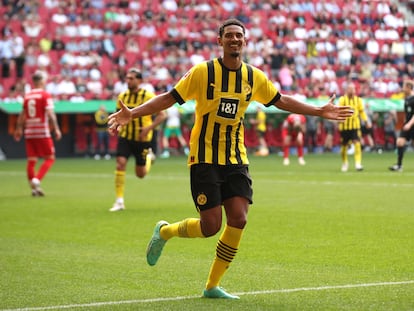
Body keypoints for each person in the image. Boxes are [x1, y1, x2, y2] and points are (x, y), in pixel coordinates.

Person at [107, 19, 353, 299]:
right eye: (230, 36)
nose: (235, 40)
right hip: (204, 157)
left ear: (245, 41)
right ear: (219, 40)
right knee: (210, 226)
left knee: (239, 219)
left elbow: (281, 100)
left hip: (236, 158)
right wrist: (133, 113)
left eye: (239, 36)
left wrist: (318, 111)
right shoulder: (202, 72)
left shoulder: (254, 76)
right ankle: (165, 232)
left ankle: (212, 286)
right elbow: (170, 97)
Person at [109, 68, 166, 212]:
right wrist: (115, 127)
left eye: (131, 78)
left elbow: (162, 115)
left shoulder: (148, 95)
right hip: (126, 137)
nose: (128, 81)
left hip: (142, 139)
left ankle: (149, 159)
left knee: (140, 174)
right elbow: (119, 116)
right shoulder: (122, 96)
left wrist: (149, 128)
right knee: (120, 164)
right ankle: (119, 201)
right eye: (127, 78)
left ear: (139, 81)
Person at [13, 70, 62, 196]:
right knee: (50, 158)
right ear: (41, 81)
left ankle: (34, 189)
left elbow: (22, 114)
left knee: (31, 160)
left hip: (29, 132)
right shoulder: (45, 95)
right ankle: (37, 179)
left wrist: (18, 129)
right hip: (42, 131)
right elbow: (50, 113)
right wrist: (56, 128)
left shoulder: (27, 96)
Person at [338, 82, 371, 172]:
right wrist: (340, 119)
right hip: (344, 127)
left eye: (353, 88)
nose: (352, 90)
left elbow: (361, 112)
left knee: (357, 143)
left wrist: (366, 121)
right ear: (346, 90)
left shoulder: (358, 100)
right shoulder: (342, 100)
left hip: (355, 126)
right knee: (344, 146)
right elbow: (339, 111)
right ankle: (345, 163)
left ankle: (358, 164)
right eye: (350, 88)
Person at [389, 80, 414, 172]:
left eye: (404, 87)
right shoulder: (407, 99)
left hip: (412, 124)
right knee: (399, 142)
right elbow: (408, 113)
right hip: (407, 124)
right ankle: (399, 165)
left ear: (408, 87)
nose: (402, 89)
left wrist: (409, 124)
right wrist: (405, 122)